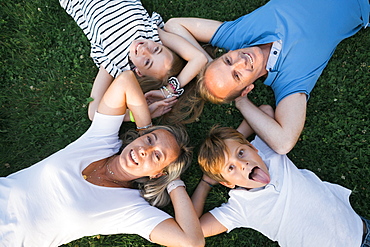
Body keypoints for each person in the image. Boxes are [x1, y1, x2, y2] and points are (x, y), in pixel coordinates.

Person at [0, 70, 205, 247]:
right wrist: (145, 127)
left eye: (157, 156)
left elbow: (192, 241)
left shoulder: (130, 209)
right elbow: (125, 80)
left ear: (157, 174)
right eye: (150, 141)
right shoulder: (101, 142)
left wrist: (172, 180)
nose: (145, 150)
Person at [164, 0, 370, 154]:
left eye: (227, 61)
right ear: (246, 89)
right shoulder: (289, 80)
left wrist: (204, 62)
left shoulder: (237, 36)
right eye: (237, 75)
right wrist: (241, 102)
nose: (241, 61)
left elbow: (173, 25)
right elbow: (283, 142)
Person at [191, 125, 370, 247]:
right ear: (227, 183)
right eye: (230, 168)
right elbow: (194, 230)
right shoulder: (240, 207)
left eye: (241, 152)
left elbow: (266, 110)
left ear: (254, 148)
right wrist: (206, 183)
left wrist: (231, 138)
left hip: (363, 229)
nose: (242, 164)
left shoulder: (270, 152)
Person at [59, 0, 209, 121]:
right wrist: (168, 91)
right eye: (156, 49)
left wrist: (139, 114)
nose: (145, 50)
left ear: (138, 72)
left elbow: (94, 113)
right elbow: (199, 58)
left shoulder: (116, 64)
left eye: (147, 62)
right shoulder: (151, 33)